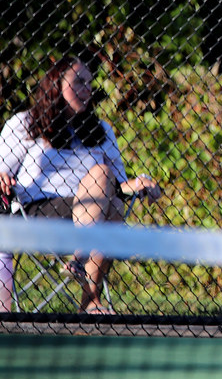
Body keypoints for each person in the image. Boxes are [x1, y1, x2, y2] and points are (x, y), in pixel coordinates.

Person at [0, 55, 162, 314]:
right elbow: (2, 171)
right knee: (110, 199)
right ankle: (90, 297)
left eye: (89, 83)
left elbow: (119, 184)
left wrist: (144, 183)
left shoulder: (101, 130)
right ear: (56, 86)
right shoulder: (25, 124)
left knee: (107, 186)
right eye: (79, 83)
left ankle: (81, 262)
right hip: (39, 212)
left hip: (92, 208)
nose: (88, 89)